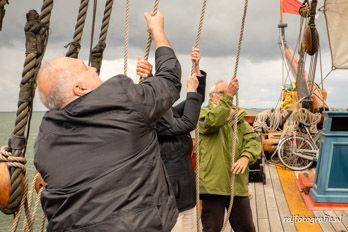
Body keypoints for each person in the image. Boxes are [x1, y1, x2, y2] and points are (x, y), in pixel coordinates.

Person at [34, 12, 181, 232]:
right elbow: (169, 80)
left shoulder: (44, 144)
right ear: (80, 88)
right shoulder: (123, 98)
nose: (93, 68)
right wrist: (157, 31)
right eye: (86, 68)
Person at [137, 47, 206, 232]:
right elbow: (187, 123)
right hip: (170, 202)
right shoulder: (154, 117)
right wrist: (190, 90)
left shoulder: (169, 111)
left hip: (186, 195)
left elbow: (196, 101)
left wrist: (197, 69)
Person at [198, 79, 262, 232]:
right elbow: (213, 122)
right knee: (212, 228)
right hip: (213, 184)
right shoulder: (203, 115)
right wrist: (228, 97)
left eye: (227, 93)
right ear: (211, 96)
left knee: (246, 228)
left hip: (236, 184)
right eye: (222, 93)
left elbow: (254, 140)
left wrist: (246, 157)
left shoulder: (238, 119)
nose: (226, 96)